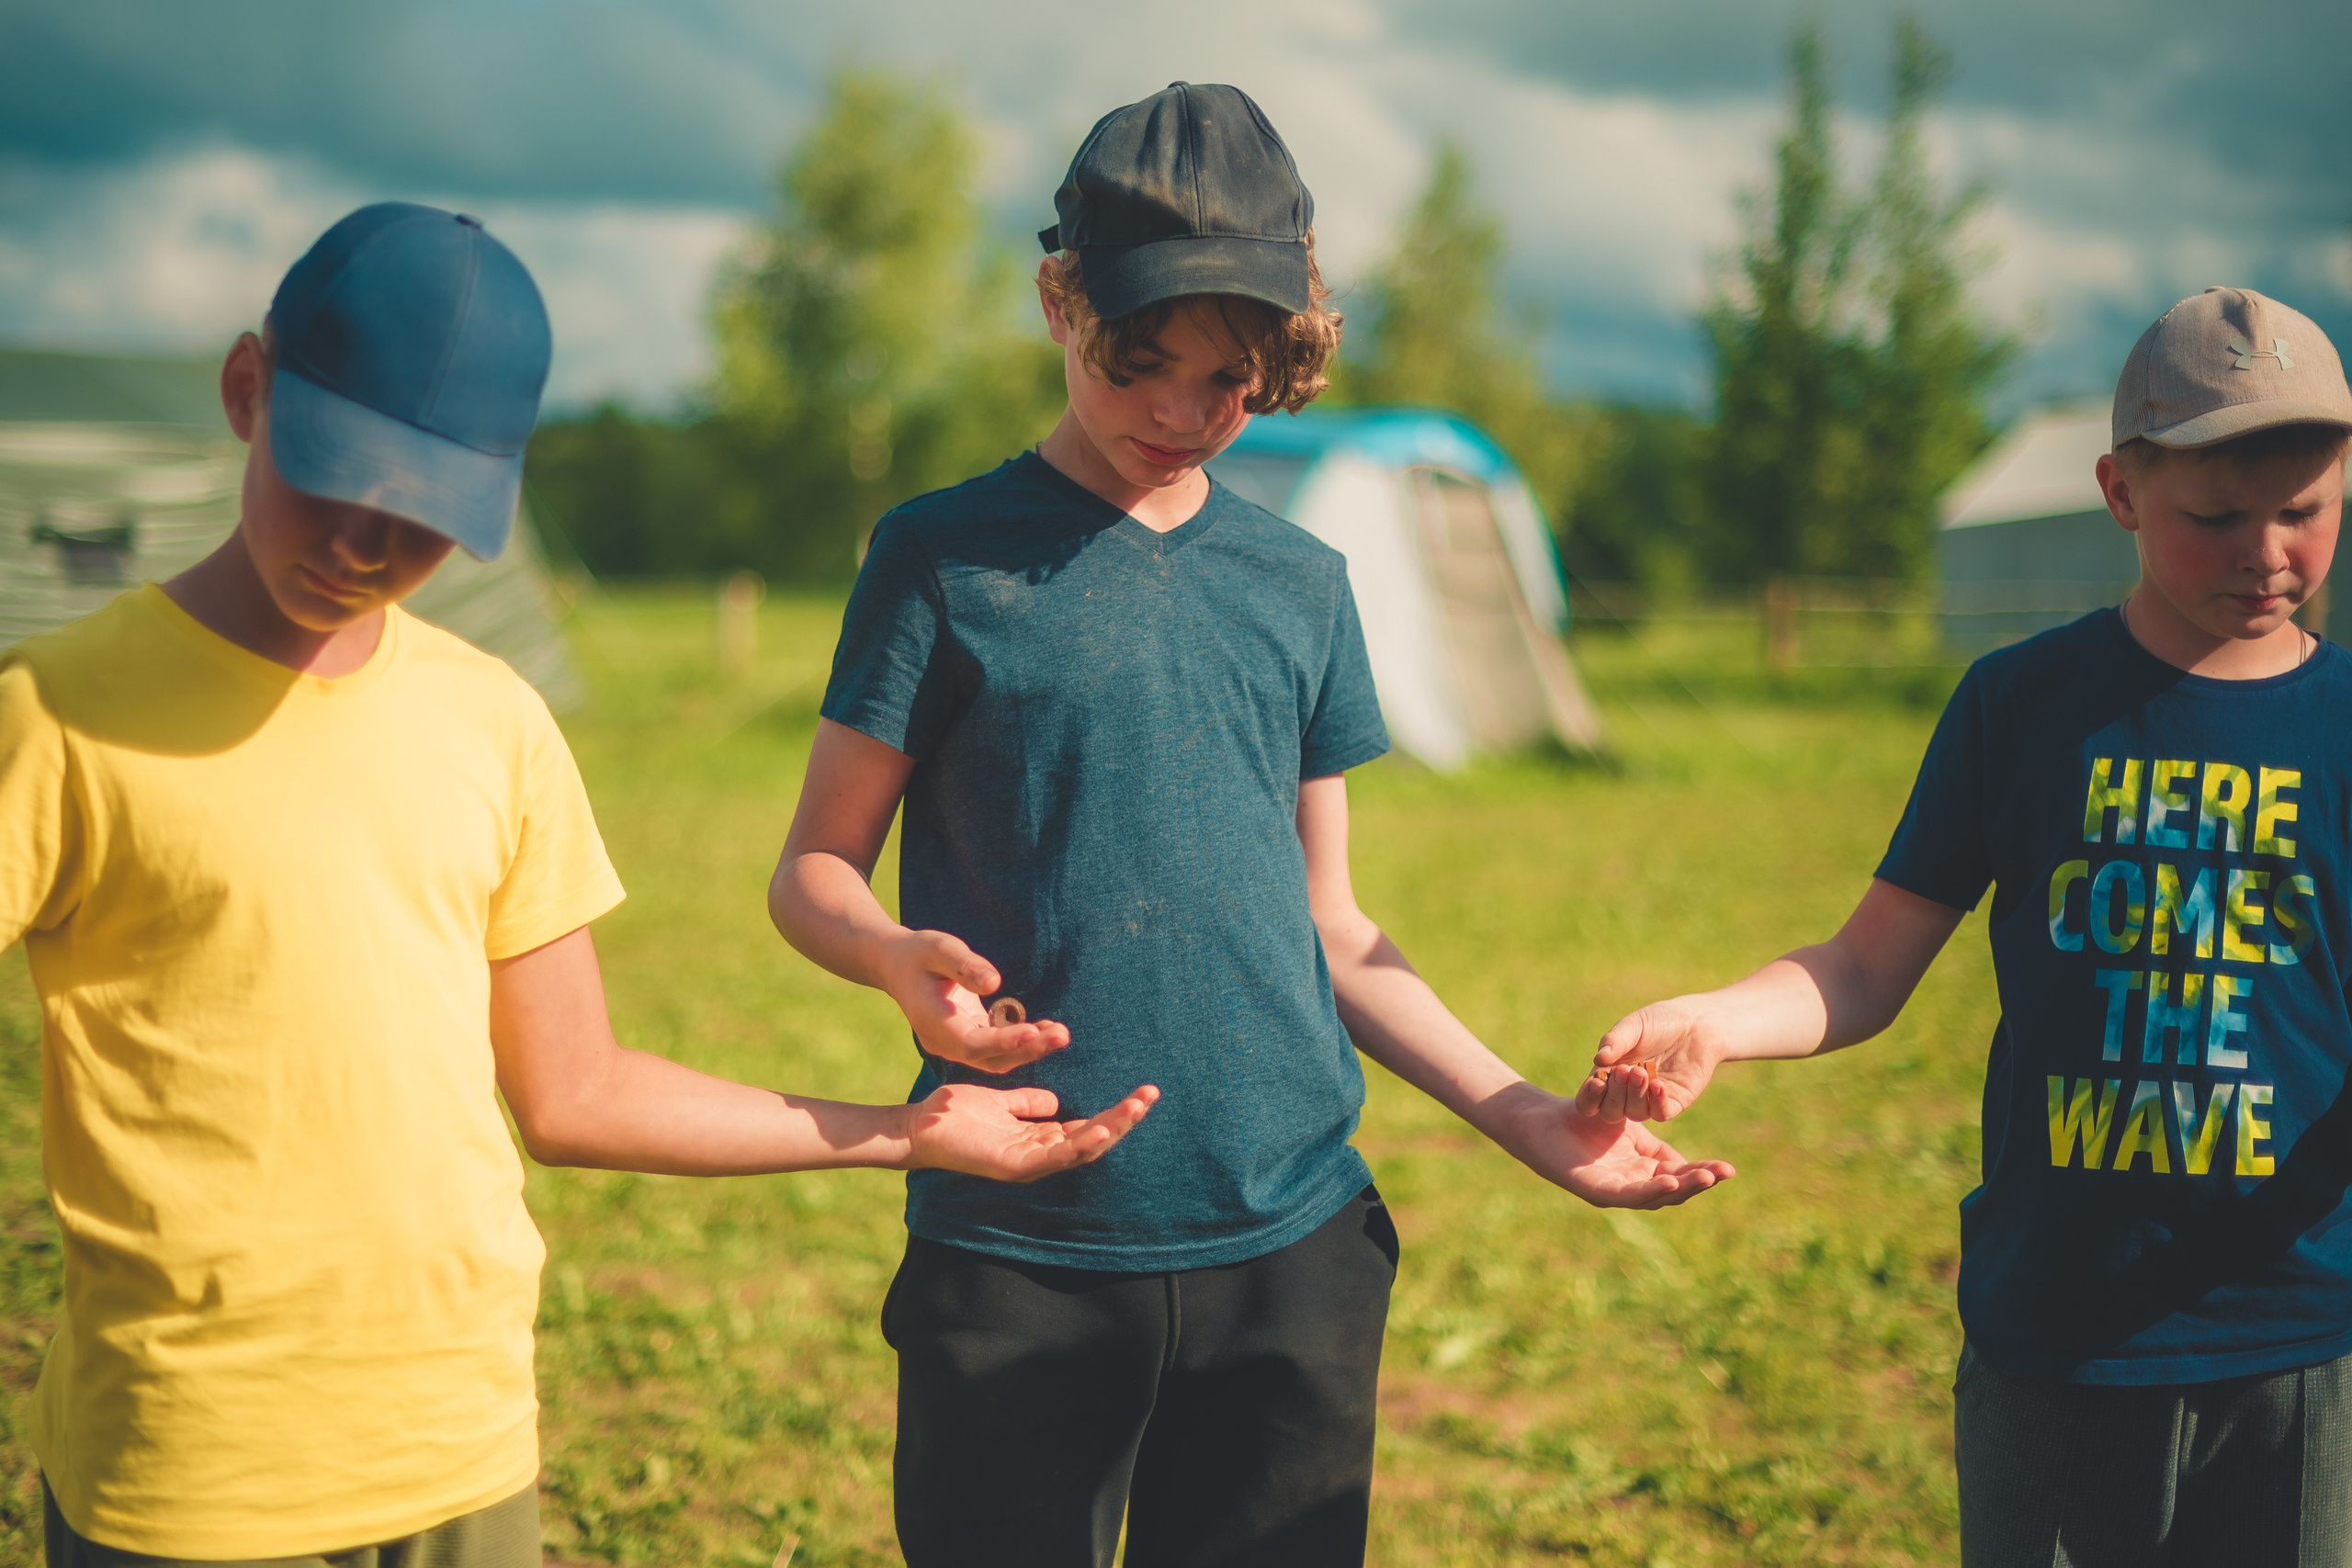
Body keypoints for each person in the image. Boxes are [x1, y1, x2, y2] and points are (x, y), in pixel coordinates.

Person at [0, 202, 1153, 1568]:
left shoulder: (493, 723)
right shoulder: (60, 717)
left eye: (421, 519)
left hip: (459, 1449)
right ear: (248, 391)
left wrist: (913, 1129)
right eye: (336, 481)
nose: (365, 548)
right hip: (185, 1472)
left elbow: (577, 1090)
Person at [767, 81, 1732, 1568]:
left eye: (1227, 381)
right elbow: (814, 866)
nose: (1178, 411)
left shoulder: (1300, 583)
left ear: (1284, 359)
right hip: (1023, 1248)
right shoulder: (940, 559)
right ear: (1057, 302)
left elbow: (1330, 924)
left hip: (1292, 1253)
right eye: (1138, 360)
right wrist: (890, 951)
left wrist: (1526, 1114)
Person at [1579, 287, 2352, 1564]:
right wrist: (1720, 1018)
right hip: (2056, 1332)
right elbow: (1865, 965)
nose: (2265, 551)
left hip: (2297, 1335)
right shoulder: (2023, 704)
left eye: (2305, 511)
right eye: (2215, 517)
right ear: (2120, 492)